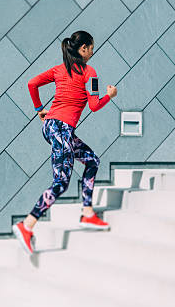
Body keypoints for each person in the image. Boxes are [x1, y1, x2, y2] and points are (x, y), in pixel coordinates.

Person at [12, 30, 118, 255]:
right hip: (61, 129)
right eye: (91, 47)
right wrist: (110, 94)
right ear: (83, 49)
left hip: (54, 127)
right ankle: (26, 225)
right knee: (61, 183)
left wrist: (39, 110)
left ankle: (87, 213)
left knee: (92, 161)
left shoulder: (59, 70)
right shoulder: (91, 73)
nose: (92, 51)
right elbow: (95, 105)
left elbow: (32, 84)